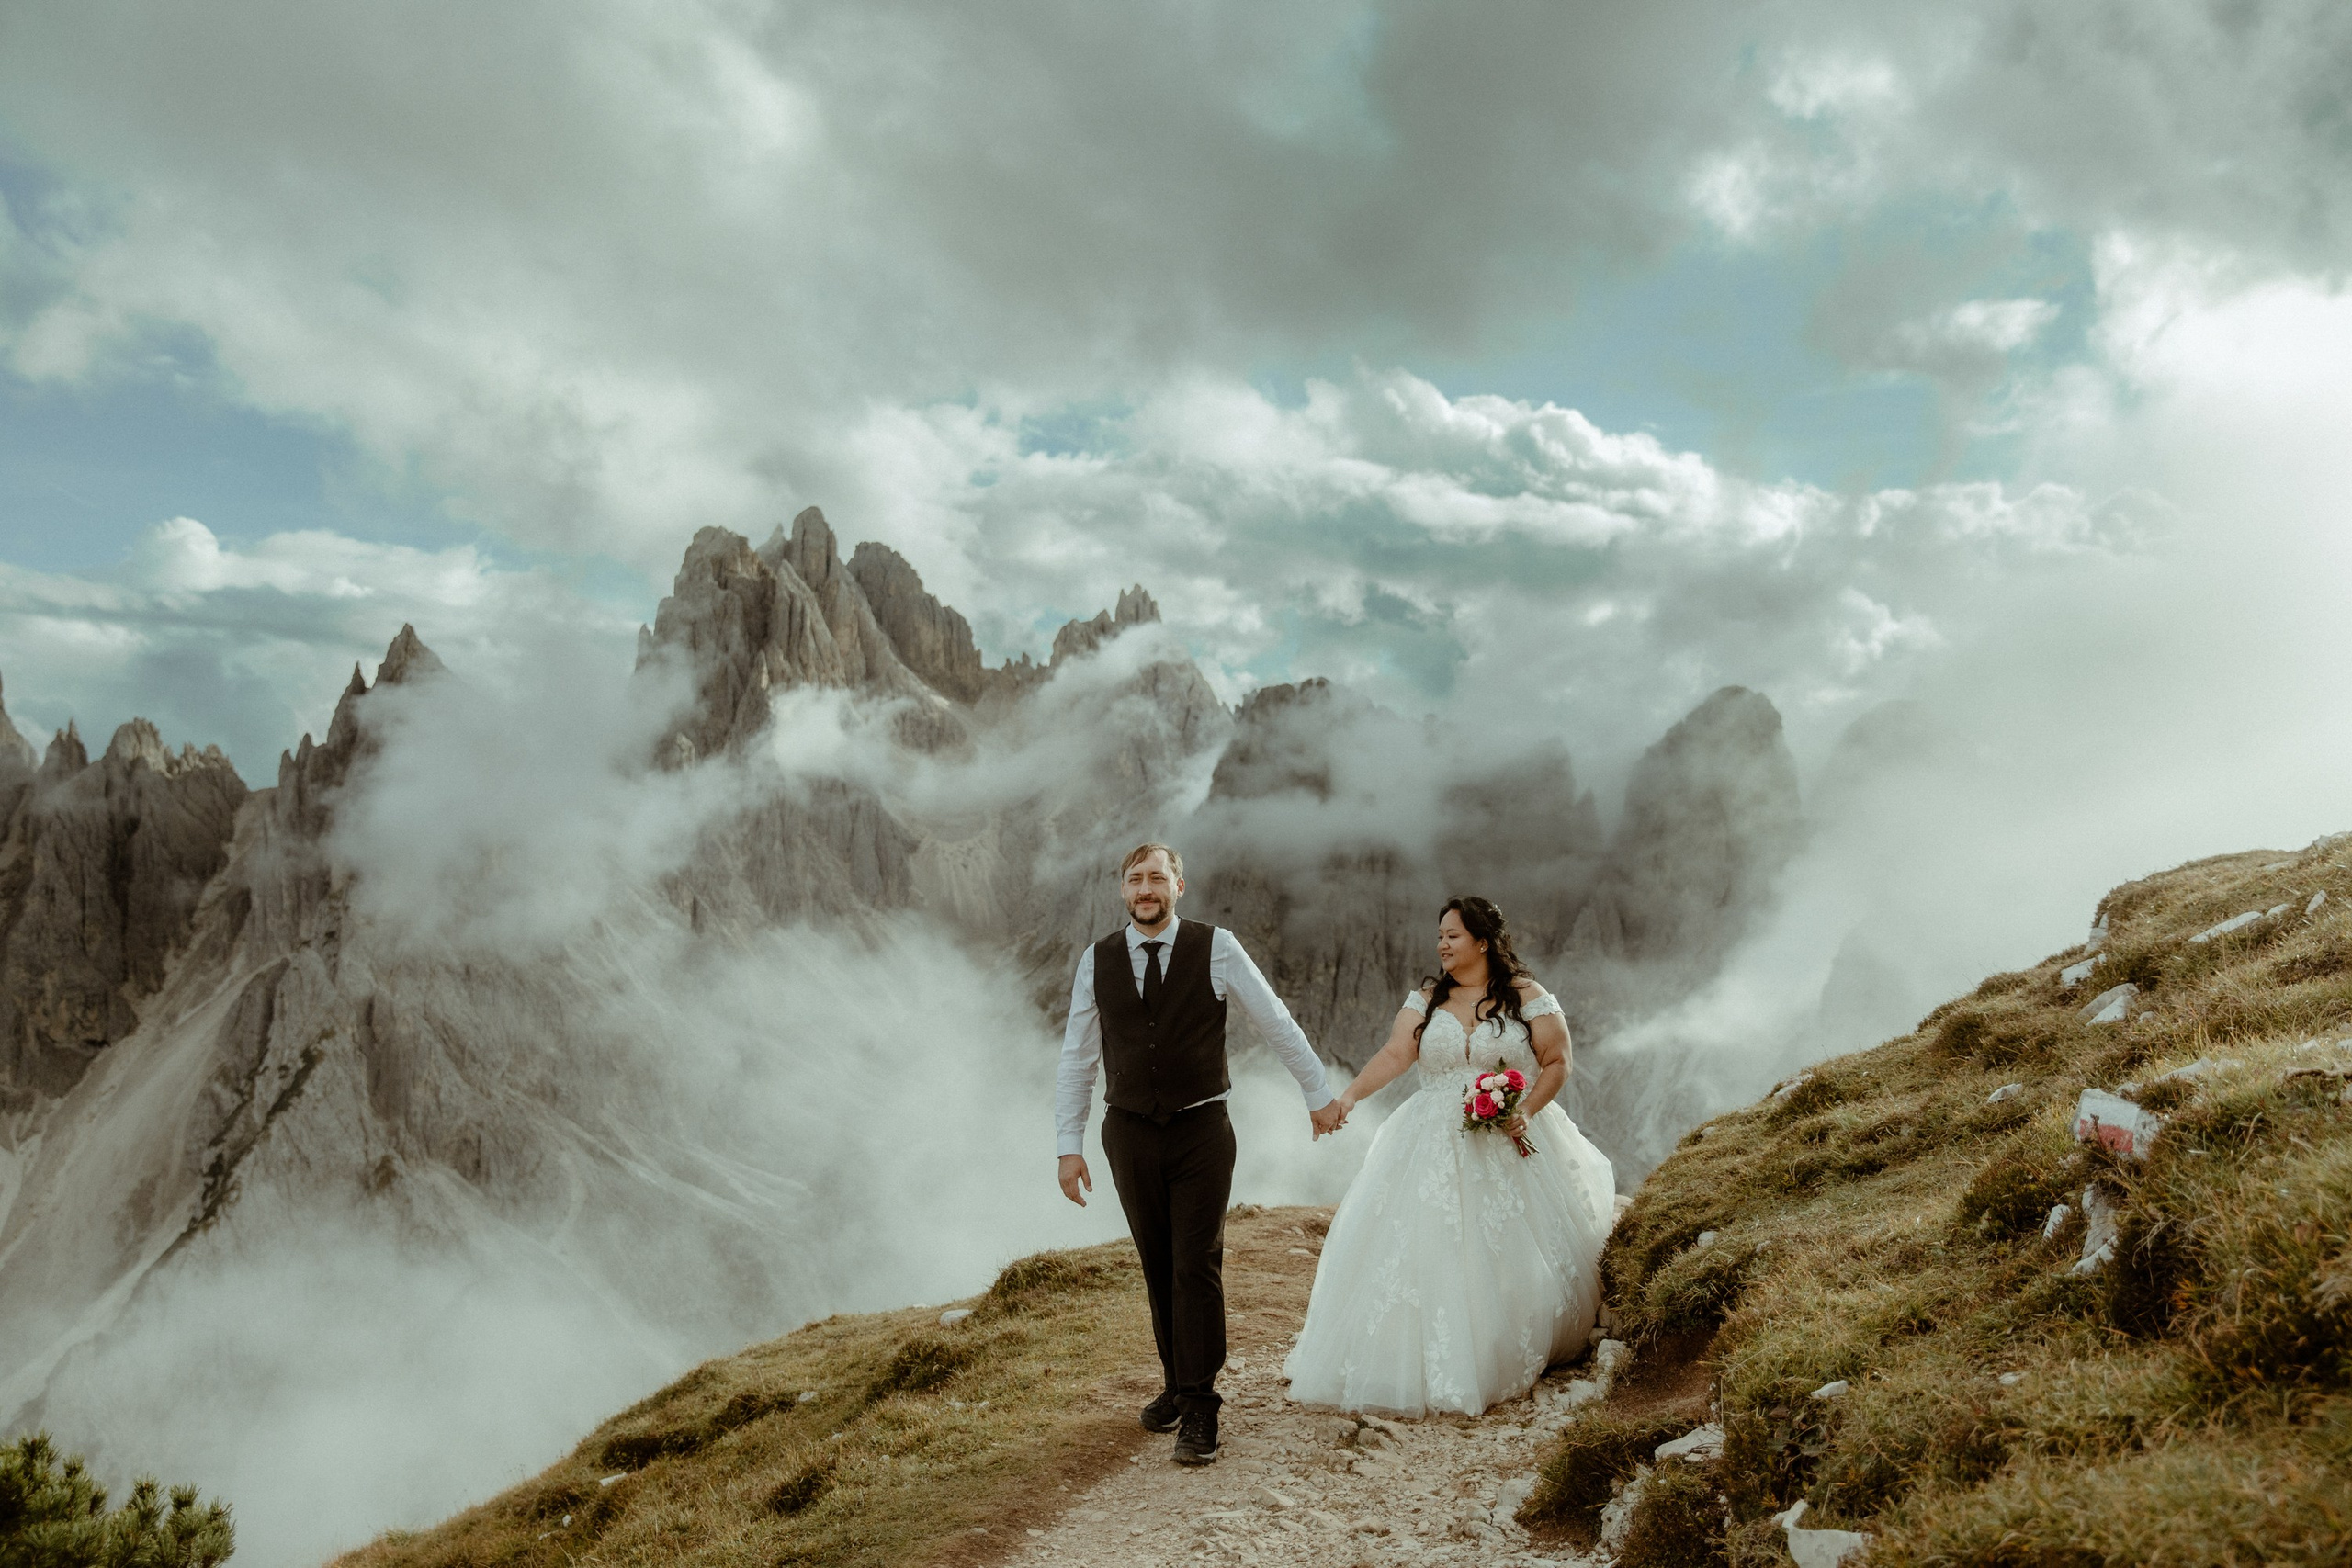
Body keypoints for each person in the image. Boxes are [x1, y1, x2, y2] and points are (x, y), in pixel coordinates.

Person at [1055, 842, 1346, 1464]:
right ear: (1123, 891)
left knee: (1196, 1262)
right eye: (1135, 879)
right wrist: (1068, 1145)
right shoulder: (1097, 959)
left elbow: (1275, 1019)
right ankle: (1175, 1383)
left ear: (1179, 885)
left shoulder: (1217, 946)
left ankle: (1200, 1405)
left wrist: (1317, 1092)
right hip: (1127, 1133)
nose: (1146, 888)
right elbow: (1077, 1056)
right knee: (1158, 1263)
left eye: (1157, 876)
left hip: (1201, 1132)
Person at [1283, 896, 1615, 1416]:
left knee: (1504, 1242)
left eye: (1453, 935)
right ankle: (1415, 1355)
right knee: (1423, 1242)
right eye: (1439, 935)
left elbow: (1557, 1060)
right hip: (1430, 1136)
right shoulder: (1426, 999)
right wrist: (1347, 1097)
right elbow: (1396, 1055)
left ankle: (1504, 1341)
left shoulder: (1527, 996)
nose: (1441, 944)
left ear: (1483, 942)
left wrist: (1525, 1108)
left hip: (1507, 1132)